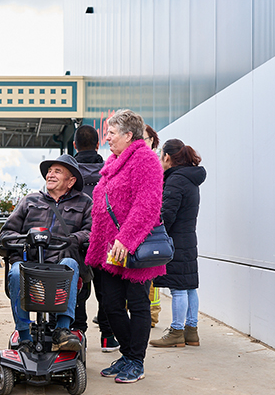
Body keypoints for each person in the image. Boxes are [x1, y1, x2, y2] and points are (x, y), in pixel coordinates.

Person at [85, 109, 165, 384]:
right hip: (108, 249)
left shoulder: (145, 160)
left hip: (132, 246)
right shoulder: (113, 162)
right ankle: (128, 354)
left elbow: (148, 204)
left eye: (111, 132)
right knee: (110, 303)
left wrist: (126, 239)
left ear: (128, 135)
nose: (106, 137)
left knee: (138, 303)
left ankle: (136, 359)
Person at [0, 154, 92, 352]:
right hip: (30, 264)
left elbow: (91, 232)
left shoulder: (84, 202)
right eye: (49, 171)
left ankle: (63, 330)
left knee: (71, 264)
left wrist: (73, 239)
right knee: (16, 272)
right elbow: (6, 233)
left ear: (71, 180)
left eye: (57, 171)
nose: (50, 175)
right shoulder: (30, 200)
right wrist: (27, 241)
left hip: (60, 265)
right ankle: (24, 335)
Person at [149, 139, 206, 348]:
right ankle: (192, 331)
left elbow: (167, 215)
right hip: (188, 237)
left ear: (167, 157)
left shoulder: (176, 179)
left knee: (178, 288)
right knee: (190, 286)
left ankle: (176, 331)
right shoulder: (190, 178)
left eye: (161, 156)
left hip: (175, 240)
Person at [73, 125, 119, 353]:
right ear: (98, 144)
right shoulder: (109, 170)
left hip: (76, 237)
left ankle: (77, 334)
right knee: (106, 289)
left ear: (74, 146)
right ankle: (108, 337)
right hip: (105, 238)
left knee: (77, 287)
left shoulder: (68, 173)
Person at [143, 124, 162, 327]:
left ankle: (152, 315)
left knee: (151, 280)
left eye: (146, 138)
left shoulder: (154, 164)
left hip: (152, 231)